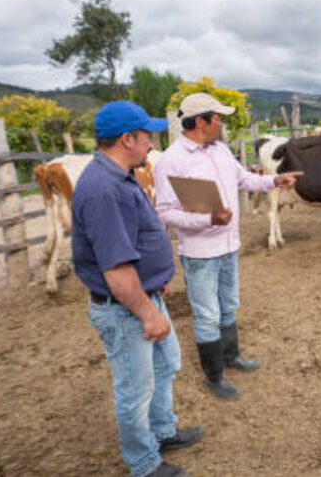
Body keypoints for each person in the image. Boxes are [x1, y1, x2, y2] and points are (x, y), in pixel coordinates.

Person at [72, 101, 201, 477]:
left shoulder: (118, 175)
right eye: (147, 135)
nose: (151, 142)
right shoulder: (102, 189)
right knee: (134, 389)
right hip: (127, 306)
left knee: (165, 366)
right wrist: (148, 313)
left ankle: (162, 431)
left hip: (144, 298)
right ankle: (144, 463)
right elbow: (115, 268)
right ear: (127, 139)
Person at [153, 93, 300, 400]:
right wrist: (209, 219)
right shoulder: (171, 160)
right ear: (200, 121)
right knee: (207, 314)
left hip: (229, 244)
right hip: (200, 252)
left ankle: (231, 356)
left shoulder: (219, 150)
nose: (221, 122)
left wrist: (274, 181)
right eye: (217, 117)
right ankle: (214, 376)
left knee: (229, 304)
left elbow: (244, 179)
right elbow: (165, 212)